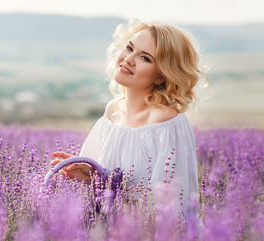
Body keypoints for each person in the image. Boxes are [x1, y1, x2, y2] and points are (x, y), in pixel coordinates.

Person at [51, 19, 207, 219]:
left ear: (161, 76)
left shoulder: (165, 122)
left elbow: (169, 210)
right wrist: (91, 177)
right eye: (129, 48)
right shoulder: (112, 112)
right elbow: (108, 189)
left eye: (145, 58)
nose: (129, 59)